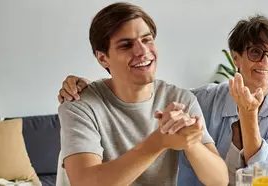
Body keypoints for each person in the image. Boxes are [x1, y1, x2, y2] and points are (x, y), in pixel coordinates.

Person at [57, 14, 268, 185]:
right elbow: (145, 92)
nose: (265, 63)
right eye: (255, 52)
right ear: (236, 58)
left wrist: (248, 115)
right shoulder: (201, 99)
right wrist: (95, 89)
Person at [55, 2, 228, 186]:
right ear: (103, 58)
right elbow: (84, 183)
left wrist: (190, 141)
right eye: (126, 45)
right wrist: (158, 142)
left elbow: (219, 180)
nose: (142, 51)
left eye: (147, 39)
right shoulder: (80, 105)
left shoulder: (180, 99)